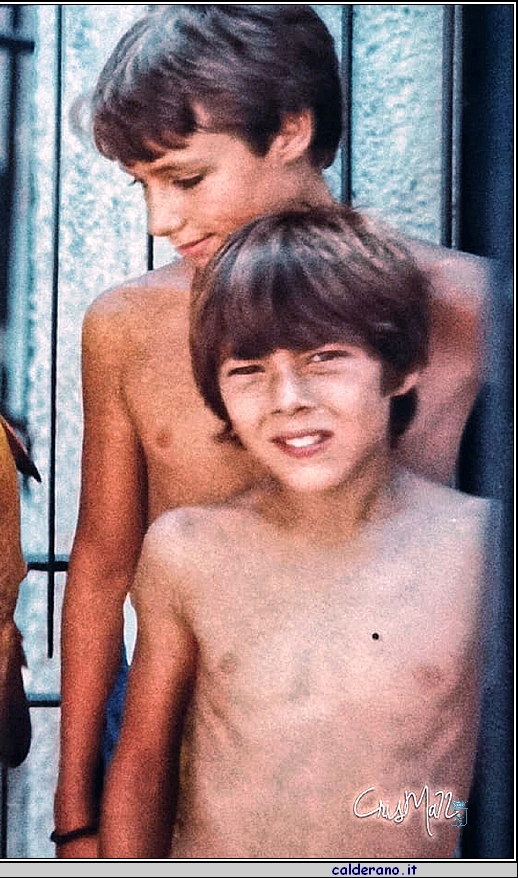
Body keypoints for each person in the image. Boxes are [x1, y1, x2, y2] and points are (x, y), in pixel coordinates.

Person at [53, 6, 494, 857]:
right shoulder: (127, 327)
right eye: (140, 186)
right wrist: (77, 816)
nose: (159, 221)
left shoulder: (467, 308)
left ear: (291, 130)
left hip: (384, 750)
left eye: (185, 180)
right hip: (174, 738)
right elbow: (103, 565)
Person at [99, 205, 490, 857]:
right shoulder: (187, 552)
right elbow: (141, 769)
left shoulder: (479, 550)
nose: (288, 398)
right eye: (248, 370)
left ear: (402, 366)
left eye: (326, 358)